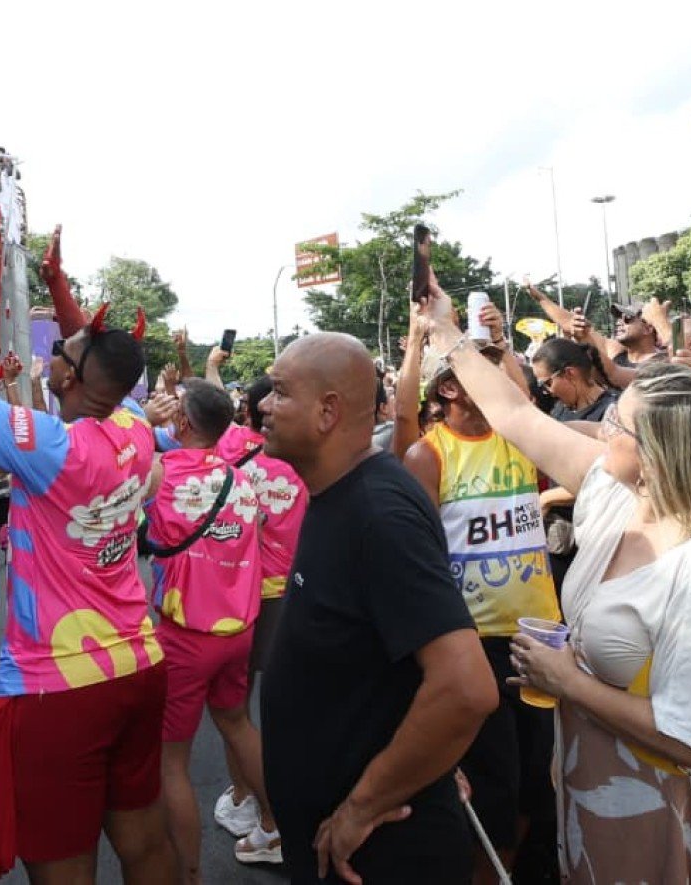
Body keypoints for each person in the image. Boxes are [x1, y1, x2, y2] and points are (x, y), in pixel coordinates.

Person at [426, 286, 691, 883]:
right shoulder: (617, 496)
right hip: (599, 798)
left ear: (657, 454)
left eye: (618, 421)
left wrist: (567, 681)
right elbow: (517, 417)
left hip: (672, 818)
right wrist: (445, 331)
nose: (603, 426)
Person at [0, 214, 175, 884]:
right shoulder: (134, 430)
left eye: (60, 350)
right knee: (141, 835)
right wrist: (58, 282)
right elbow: (102, 363)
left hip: (59, 688)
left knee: (61, 862)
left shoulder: (51, 445)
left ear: (72, 378)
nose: (51, 351)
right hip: (137, 663)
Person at [258, 332, 497, 884]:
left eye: (278, 392)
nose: (263, 406)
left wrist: (361, 808)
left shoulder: (378, 515)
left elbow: (466, 687)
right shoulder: (340, 494)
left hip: (381, 852)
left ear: (327, 411)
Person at [402, 326, 560, 883]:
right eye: (479, 371)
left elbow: (525, 402)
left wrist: (490, 341)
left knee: (539, 777)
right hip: (473, 644)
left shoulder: (520, 439)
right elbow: (418, 562)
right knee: (494, 782)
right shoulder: (428, 455)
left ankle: (538, 869)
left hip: (539, 637)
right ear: (448, 388)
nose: (495, 377)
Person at [144, 380, 280, 874]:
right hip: (238, 629)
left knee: (170, 761)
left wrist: (142, 421)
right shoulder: (241, 478)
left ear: (182, 422)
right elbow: (258, 537)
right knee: (238, 724)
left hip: (185, 636)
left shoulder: (162, 475)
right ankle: (272, 825)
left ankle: (190, 875)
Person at [206, 367, 310, 849]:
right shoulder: (307, 456)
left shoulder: (230, 450)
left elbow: (204, 417)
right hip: (299, 591)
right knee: (287, 704)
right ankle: (279, 802)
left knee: (236, 705)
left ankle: (252, 799)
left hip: (243, 595)